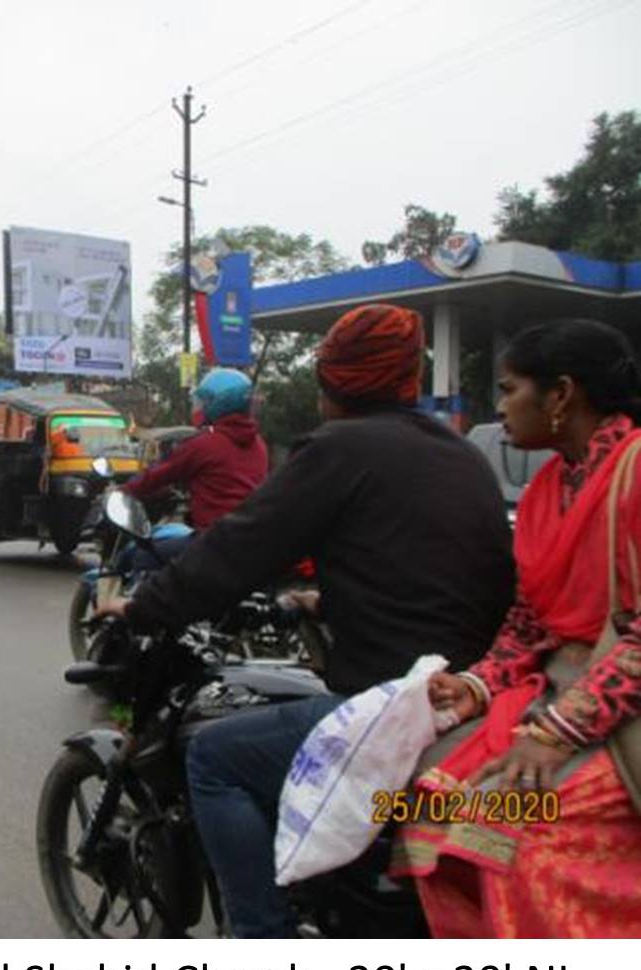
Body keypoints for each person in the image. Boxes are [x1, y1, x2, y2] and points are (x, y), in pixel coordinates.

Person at [99, 303, 515, 937]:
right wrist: (327, 600)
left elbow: (237, 547)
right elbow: (419, 563)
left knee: (213, 758)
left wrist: (142, 605)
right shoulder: (462, 455)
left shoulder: (339, 447)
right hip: (472, 692)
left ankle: (262, 940)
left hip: (393, 699)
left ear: (335, 383)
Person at [392, 319, 641, 938]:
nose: (500, 407)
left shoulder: (635, 472)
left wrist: (556, 734)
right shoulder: (546, 489)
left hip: (616, 710)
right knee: (426, 807)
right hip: (561, 695)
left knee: (512, 834)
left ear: (561, 394)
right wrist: (474, 685)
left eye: (508, 390)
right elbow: (529, 626)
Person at [124, 367, 268, 531]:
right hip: (251, 535)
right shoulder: (259, 445)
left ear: (218, 403)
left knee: (151, 546)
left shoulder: (203, 444)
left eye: (203, 401)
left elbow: (157, 475)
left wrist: (123, 490)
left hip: (213, 538)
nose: (198, 406)